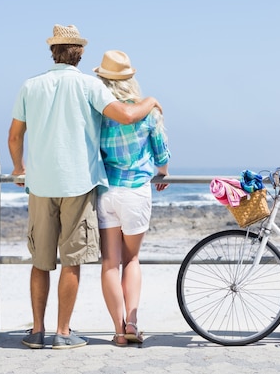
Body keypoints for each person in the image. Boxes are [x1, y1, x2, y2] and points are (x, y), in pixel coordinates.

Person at [8, 25, 162, 350]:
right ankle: (63, 333)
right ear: (79, 54)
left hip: (39, 185)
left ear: (53, 51)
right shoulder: (89, 86)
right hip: (78, 184)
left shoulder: (30, 86)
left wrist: (19, 168)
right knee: (71, 260)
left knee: (40, 260)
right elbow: (127, 115)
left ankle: (37, 331)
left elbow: (14, 136)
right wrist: (150, 101)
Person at [93, 50, 170, 346]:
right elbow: (161, 153)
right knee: (132, 259)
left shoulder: (99, 113)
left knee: (109, 262)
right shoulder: (147, 111)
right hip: (136, 190)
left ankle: (117, 329)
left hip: (106, 191)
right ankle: (133, 324)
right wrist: (162, 172)